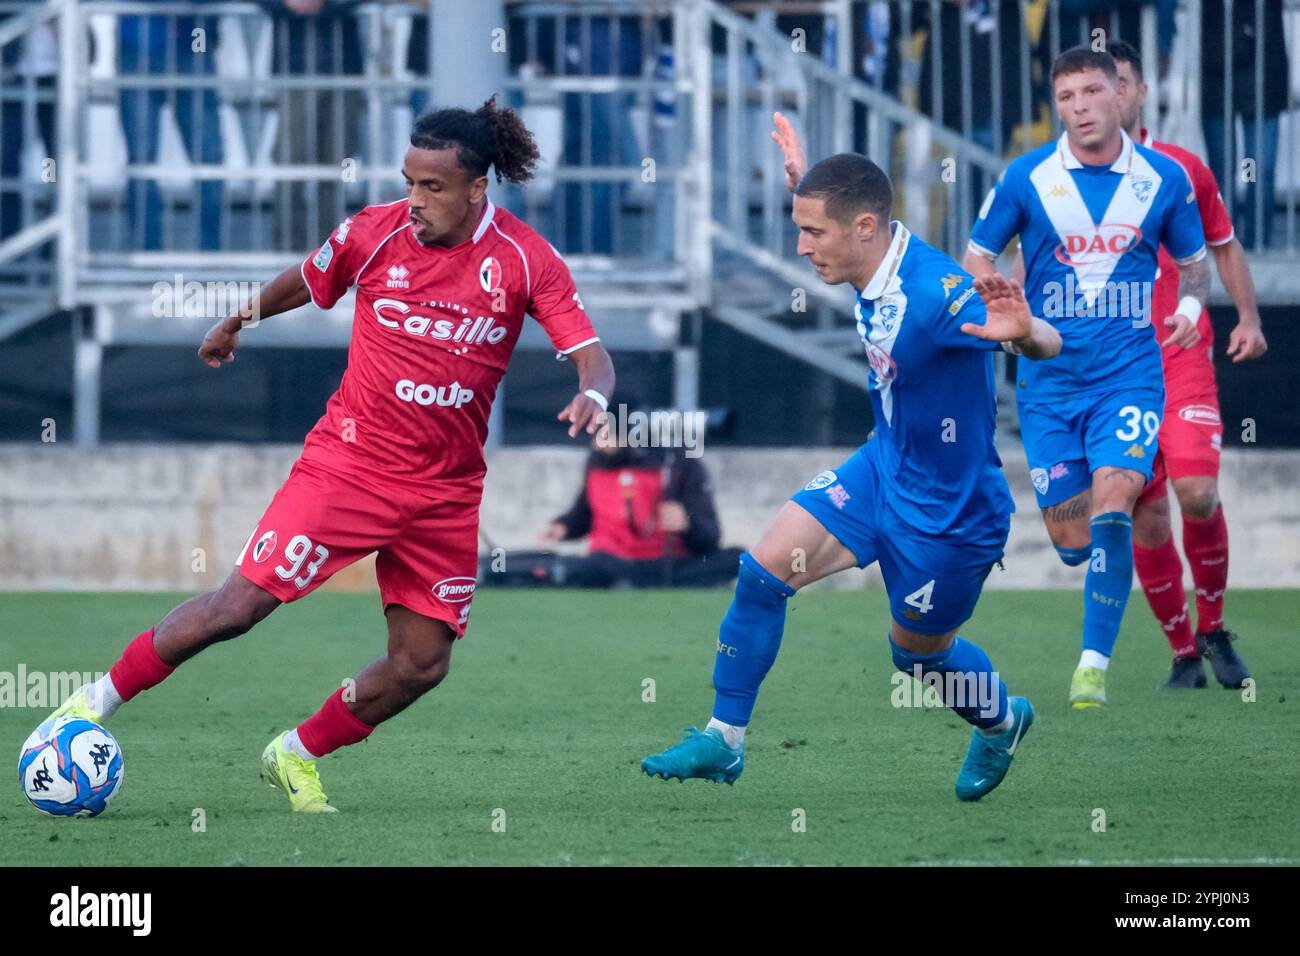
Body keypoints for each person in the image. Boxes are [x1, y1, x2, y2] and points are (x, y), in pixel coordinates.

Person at [32, 98, 615, 813]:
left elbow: (591, 354)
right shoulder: (374, 234)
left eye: (432, 188)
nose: (415, 200)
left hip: (445, 492)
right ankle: (90, 704)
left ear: (476, 189)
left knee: (422, 664)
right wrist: (234, 320)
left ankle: (296, 753)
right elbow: (305, 278)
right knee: (235, 609)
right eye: (408, 181)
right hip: (349, 467)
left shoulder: (525, 259)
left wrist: (597, 395)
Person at [641, 113, 1061, 802]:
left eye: (813, 232)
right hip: (881, 466)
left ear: (865, 227)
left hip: (950, 513)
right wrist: (807, 185)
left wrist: (1027, 334)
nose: (801, 246)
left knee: (916, 655)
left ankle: (999, 721)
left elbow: (1043, 340)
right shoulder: (869, 250)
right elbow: (832, 211)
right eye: (800, 227)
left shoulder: (933, 291)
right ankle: (725, 740)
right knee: (761, 572)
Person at [963, 48, 1211, 708]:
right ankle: (1100, 573)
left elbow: (1194, 264)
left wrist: (1188, 308)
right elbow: (977, 255)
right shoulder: (1026, 178)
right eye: (1066, 95)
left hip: (1129, 378)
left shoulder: (1162, 178)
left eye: (1092, 92)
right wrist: (994, 301)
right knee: (1074, 540)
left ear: (1120, 95)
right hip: (1048, 385)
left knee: (1113, 506)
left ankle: (1091, 667)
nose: (1080, 106)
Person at [1107, 39, 1264, 689]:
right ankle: (1182, 654)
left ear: (1141, 93)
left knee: (1197, 492)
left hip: (1180, 359)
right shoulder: (1051, 182)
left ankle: (1215, 624)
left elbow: (1223, 246)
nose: (1102, 97)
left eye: (1116, 83)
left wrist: (1249, 318)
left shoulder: (1180, 170)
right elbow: (1033, 266)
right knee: (1145, 514)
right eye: (1088, 87)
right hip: (1113, 376)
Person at [538, 414, 742, 588]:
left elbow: (710, 539)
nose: (598, 443)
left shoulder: (679, 463)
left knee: (738, 559)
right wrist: (564, 526)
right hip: (610, 560)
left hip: (668, 563)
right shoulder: (597, 461)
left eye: (606, 433)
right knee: (589, 564)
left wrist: (687, 524)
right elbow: (583, 514)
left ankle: (626, 581)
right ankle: (625, 580)